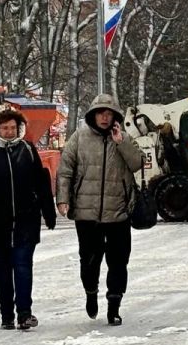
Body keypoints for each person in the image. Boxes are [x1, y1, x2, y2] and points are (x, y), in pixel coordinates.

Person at [0, 106, 56, 331]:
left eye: (13, 128)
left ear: (19, 128)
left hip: (26, 220)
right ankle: (7, 314)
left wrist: (47, 209)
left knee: (23, 266)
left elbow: (40, 181)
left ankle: (24, 313)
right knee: (3, 270)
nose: (9, 132)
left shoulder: (27, 149)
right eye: (4, 128)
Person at [56, 94, 143, 326]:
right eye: (101, 113)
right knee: (90, 260)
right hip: (86, 213)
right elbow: (65, 170)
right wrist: (62, 199)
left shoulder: (122, 138)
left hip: (118, 213)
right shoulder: (79, 138)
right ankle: (91, 292)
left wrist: (121, 141)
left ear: (115, 116)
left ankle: (114, 306)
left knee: (118, 261)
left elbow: (137, 163)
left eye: (109, 113)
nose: (105, 117)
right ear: (93, 115)